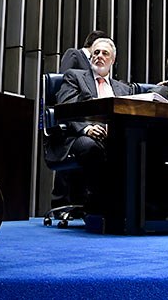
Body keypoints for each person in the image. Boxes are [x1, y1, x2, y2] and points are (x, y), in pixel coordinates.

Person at [50, 38, 133, 211]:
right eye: (96, 53)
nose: (99, 56)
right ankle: (98, 206)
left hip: (113, 136)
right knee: (91, 147)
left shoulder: (123, 89)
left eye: (105, 53)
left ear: (113, 60)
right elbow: (67, 107)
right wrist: (86, 129)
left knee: (138, 149)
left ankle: (133, 208)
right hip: (79, 135)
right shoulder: (75, 77)